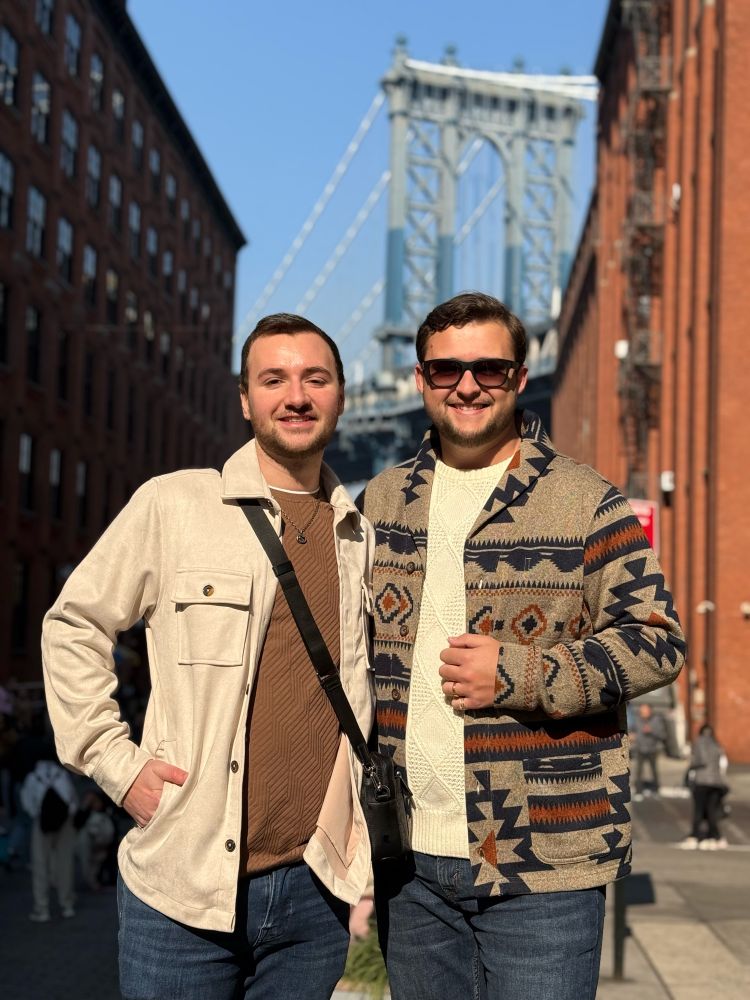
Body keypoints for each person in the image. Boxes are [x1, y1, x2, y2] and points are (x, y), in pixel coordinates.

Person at [358, 292, 686, 1000]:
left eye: (488, 368)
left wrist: (521, 674)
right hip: (410, 861)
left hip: (545, 862)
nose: (467, 385)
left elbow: (658, 641)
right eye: (446, 370)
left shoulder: (584, 499)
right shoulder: (381, 503)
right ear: (420, 380)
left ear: (519, 377)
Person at [42, 314, 374, 999]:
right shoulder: (174, 505)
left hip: (315, 892)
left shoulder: (362, 536)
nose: (297, 396)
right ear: (245, 400)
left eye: (316, 378)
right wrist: (114, 762)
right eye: (273, 379)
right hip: (182, 889)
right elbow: (74, 623)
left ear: (343, 394)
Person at [20, 754, 78, 921]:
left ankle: (42, 907)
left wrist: (36, 814)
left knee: (40, 864)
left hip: (42, 823)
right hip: (64, 822)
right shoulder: (61, 774)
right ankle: (67, 904)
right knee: (65, 863)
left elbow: (27, 802)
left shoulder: (33, 777)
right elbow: (72, 799)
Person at [681, 724, 729, 850]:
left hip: (702, 781)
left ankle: (695, 836)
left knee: (698, 810)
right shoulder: (716, 744)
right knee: (712, 811)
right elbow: (723, 763)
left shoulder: (699, 743)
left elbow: (699, 760)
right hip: (716, 783)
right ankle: (715, 836)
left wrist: (690, 765)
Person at [631, 703, 668, 800]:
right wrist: (632, 736)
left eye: (645, 711)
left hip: (652, 749)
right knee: (639, 771)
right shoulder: (637, 720)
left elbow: (663, 735)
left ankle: (656, 790)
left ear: (650, 711)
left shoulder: (656, 720)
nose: (643, 713)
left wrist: (651, 731)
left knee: (654, 771)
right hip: (640, 748)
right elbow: (632, 731)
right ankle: (639, 791)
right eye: (642, 711)